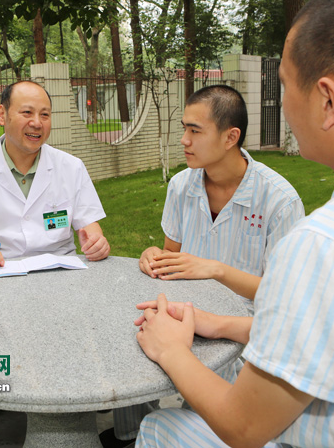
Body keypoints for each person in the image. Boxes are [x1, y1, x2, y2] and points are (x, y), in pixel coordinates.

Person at [135, 0, 334, 447]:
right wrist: (217, 323)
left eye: (284, 84)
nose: (283, 104)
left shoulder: (327, 242)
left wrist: (170, 349)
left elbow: (244, 426)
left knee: (159, 428)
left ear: (327, 100)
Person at [104, 85, 304, 448]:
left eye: (195, 131)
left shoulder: (279, 201)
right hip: (186, 311)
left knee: (211, 398)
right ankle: (129, 433)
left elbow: (284, 300)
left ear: (230, 137)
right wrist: (153, 255)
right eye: (184, 128)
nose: (184, 140)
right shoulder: (181, 185)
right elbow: (171, 256)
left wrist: (216, 269)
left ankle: (171, 428)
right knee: (129, 327)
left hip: (246, 331)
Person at [0, 79, 110, 424]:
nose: (37, 123)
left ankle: (84, 382)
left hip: (58, 272)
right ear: (2, 115)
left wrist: (96, 241)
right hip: (0, 271)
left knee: (72, 330)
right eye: (28, 113)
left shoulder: (70, 167)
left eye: (45, 115)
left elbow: (90, 226)